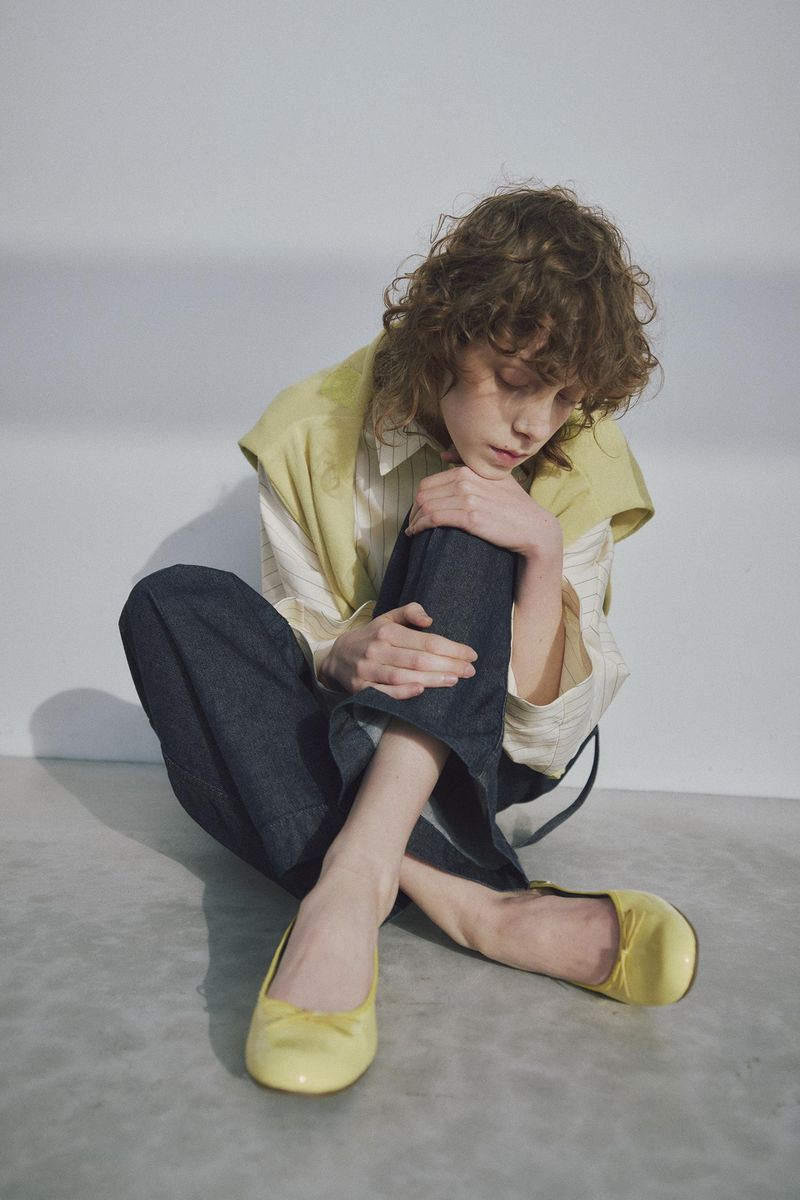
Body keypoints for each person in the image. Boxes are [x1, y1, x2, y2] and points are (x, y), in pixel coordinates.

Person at [118, 184, 698, 1097]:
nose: (535, 424)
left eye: (564, 398)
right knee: (169, 603)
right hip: (345, 735)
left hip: (483, 760)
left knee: (475, 516)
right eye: (517, 381)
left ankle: (350, 887)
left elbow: (543, 745)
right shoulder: (309, 433)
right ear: (447, 333)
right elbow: (288, 663)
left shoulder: (580, 452)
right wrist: (338, 655)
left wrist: (540, 554)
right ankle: (473, 905)